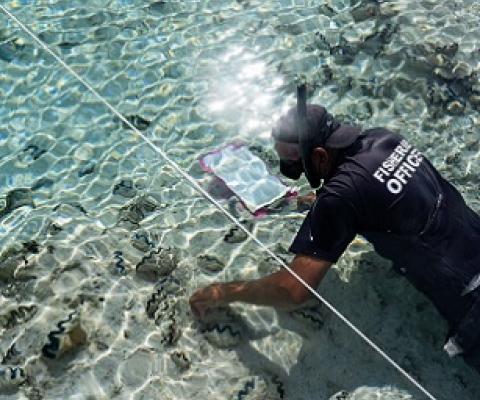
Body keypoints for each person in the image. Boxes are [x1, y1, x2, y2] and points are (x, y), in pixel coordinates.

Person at [189, 85, 480, 370]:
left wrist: (224, 292)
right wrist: (317, 202)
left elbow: (294, 291)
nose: (296, 174)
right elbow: (378, 191)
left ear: (319, 156)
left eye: (296, 166)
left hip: (470, 300)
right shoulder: (383, 138)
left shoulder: (339, 198)